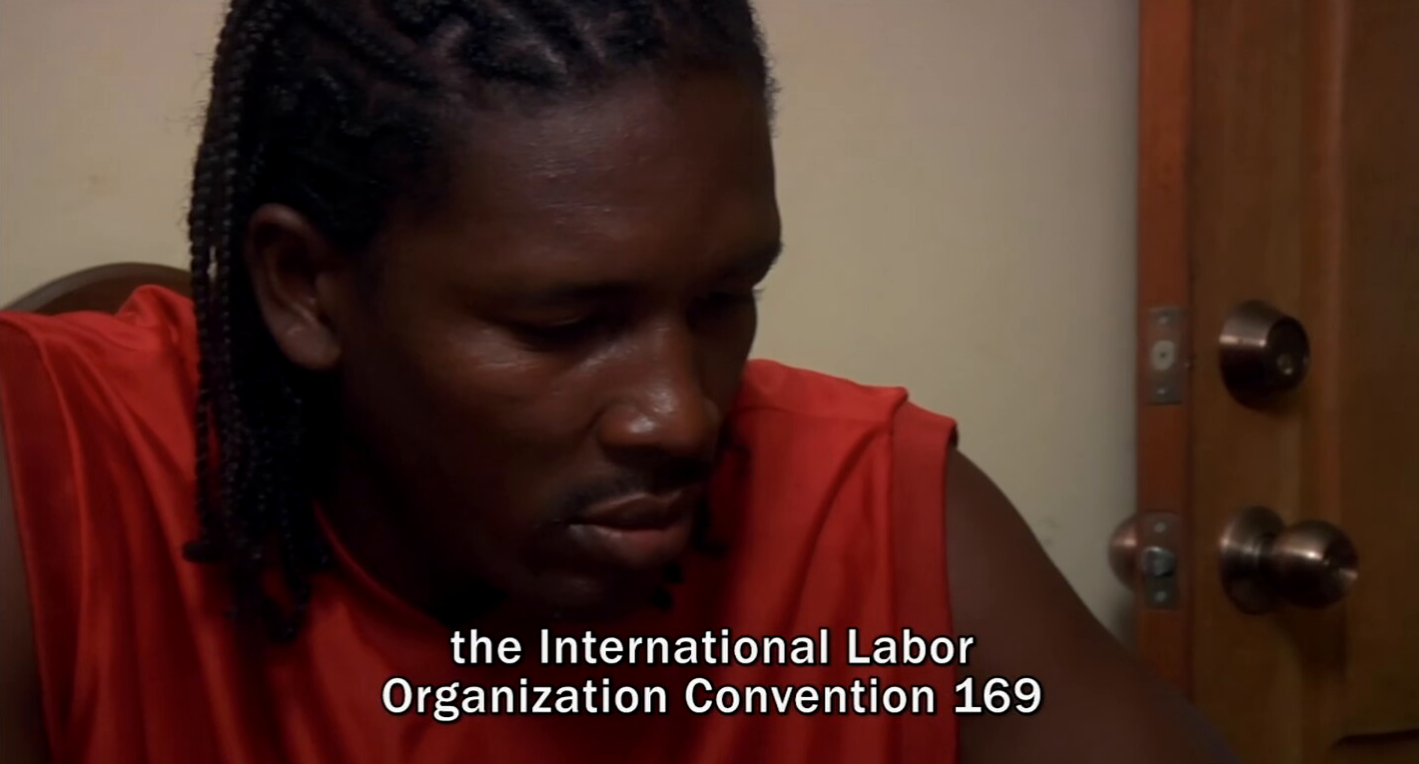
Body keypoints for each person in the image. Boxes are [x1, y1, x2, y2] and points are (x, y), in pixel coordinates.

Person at [0, 1, 1239, 762]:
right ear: (304, 287)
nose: (682, 414)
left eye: (724, 298)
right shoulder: (56, 482)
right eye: (564, 322)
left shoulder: (869, 516)